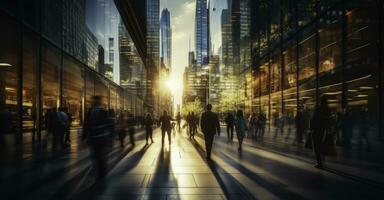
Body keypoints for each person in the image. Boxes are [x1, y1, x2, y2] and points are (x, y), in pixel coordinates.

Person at [83, 96, 113, 179]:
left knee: (98, 155)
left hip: (99, 137)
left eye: (94, 101)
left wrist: (85, 136)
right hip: (97, 137)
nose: (93, 102)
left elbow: (86, 125)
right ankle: (101, 171)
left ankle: (101, 172)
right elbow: (86, 125)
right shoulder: (96, 111)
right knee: (98, 155)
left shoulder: (96, 111)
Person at [311, 95, 331, 168]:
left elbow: (314, 119)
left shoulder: (318, 109)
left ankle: (319, 163)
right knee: (322, 146)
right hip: (323, 130)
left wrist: (311, 128)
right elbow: (328, 120)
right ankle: (322, 162)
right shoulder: (327, 109)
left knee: (317, 147)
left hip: (317, 130)